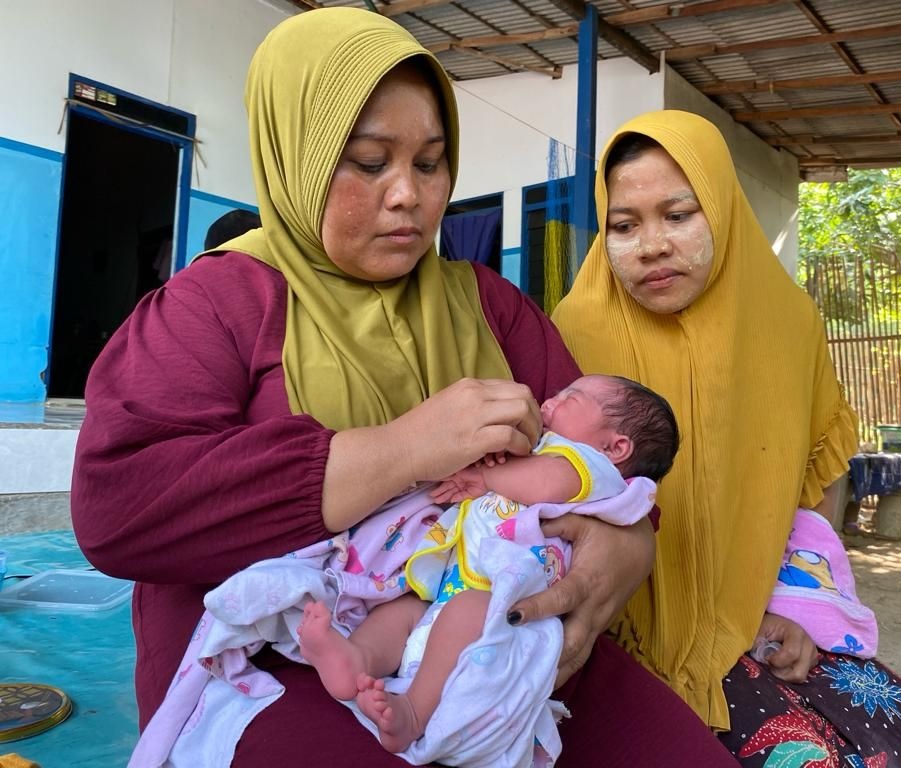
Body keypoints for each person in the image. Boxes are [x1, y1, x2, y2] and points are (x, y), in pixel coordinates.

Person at [70, 9, 737, 767]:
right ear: (297, 155)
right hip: (287, 660)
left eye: (430, 163)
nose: (409, 196)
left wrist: (626, 546)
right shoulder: (214, 305)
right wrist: (401, 448)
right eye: (366, 161)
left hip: (490, 638)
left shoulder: (488, 305)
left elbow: (602, 461)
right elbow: (117, 506)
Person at [546, 110, 901, 765]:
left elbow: (817, 475)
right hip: (618, 636)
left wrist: (802, 608)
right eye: (624, 226)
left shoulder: (786, 322)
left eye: (679, 215)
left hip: (763, 617)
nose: (652, 244)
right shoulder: (574, 331)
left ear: (722, 209)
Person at [297, 373, 679, 764]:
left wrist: (486, 475)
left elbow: (548, 483)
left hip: (500, 601)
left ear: (615, 446)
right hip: (454, 584)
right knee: (405, 613)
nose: (550, 401)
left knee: (463, 616)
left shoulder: (590, 467)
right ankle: (356, 658)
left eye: (571, 398)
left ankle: (414, 710)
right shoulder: (545, 449)